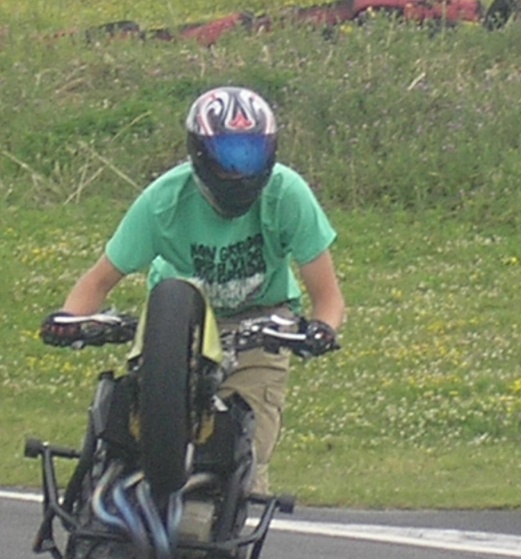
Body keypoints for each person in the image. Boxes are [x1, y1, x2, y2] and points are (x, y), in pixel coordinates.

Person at [40, 85, 346, 495]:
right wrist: (72, 321)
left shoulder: (287, 194)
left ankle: (230, 519)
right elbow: (98, 280)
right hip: (176, 323)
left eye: (251, 155)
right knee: (129, 426)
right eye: (229, 156)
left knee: (244, 459)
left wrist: (320, 330)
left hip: (260, 323)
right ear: (200, 153)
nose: (240, 172)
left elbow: (328, 299)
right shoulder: (163, 201)